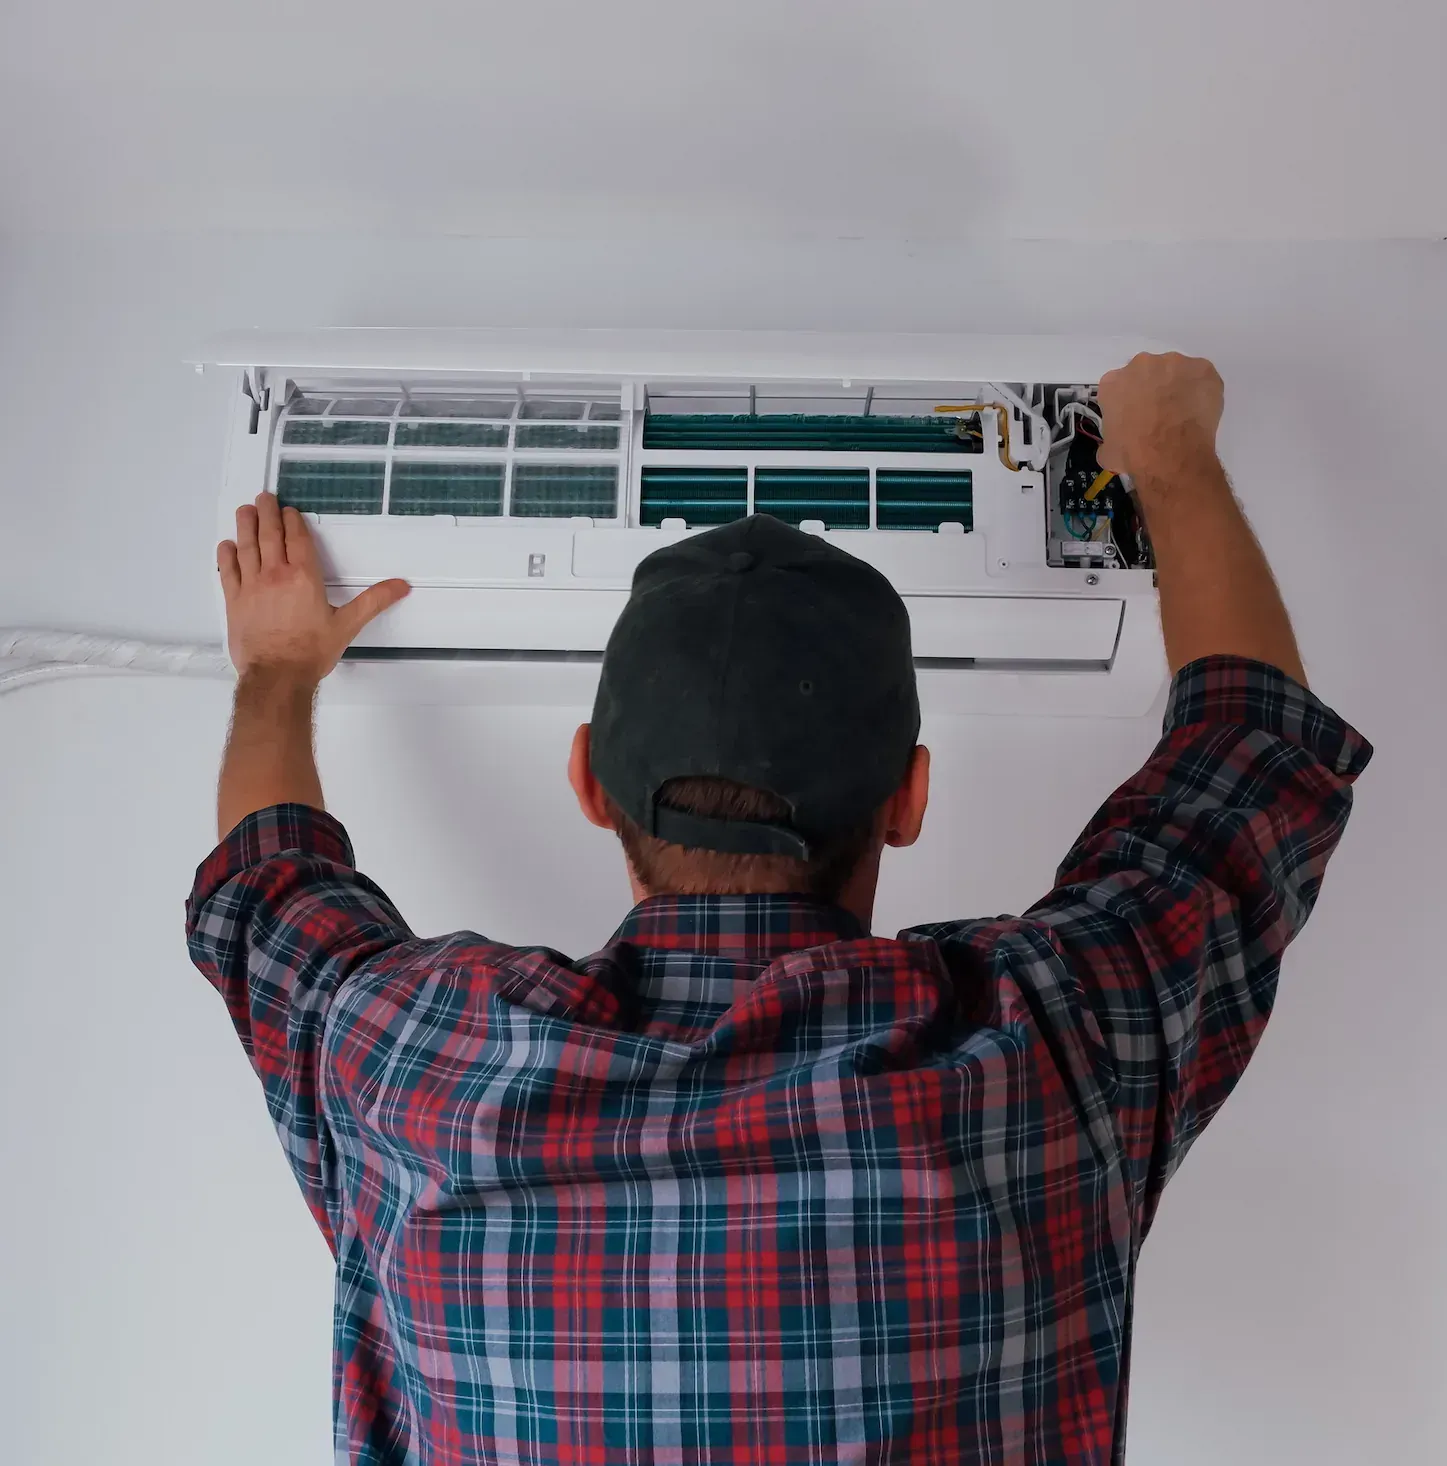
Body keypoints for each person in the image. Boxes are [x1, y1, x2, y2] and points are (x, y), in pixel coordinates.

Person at [188, 352, 1371, 1464]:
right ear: (909, 798)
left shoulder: (411, 1059)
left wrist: (277, 671)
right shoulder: (1049, 1047)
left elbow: (268, 896)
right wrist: (1169, 455)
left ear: (589, 782)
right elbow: (1248, 756)